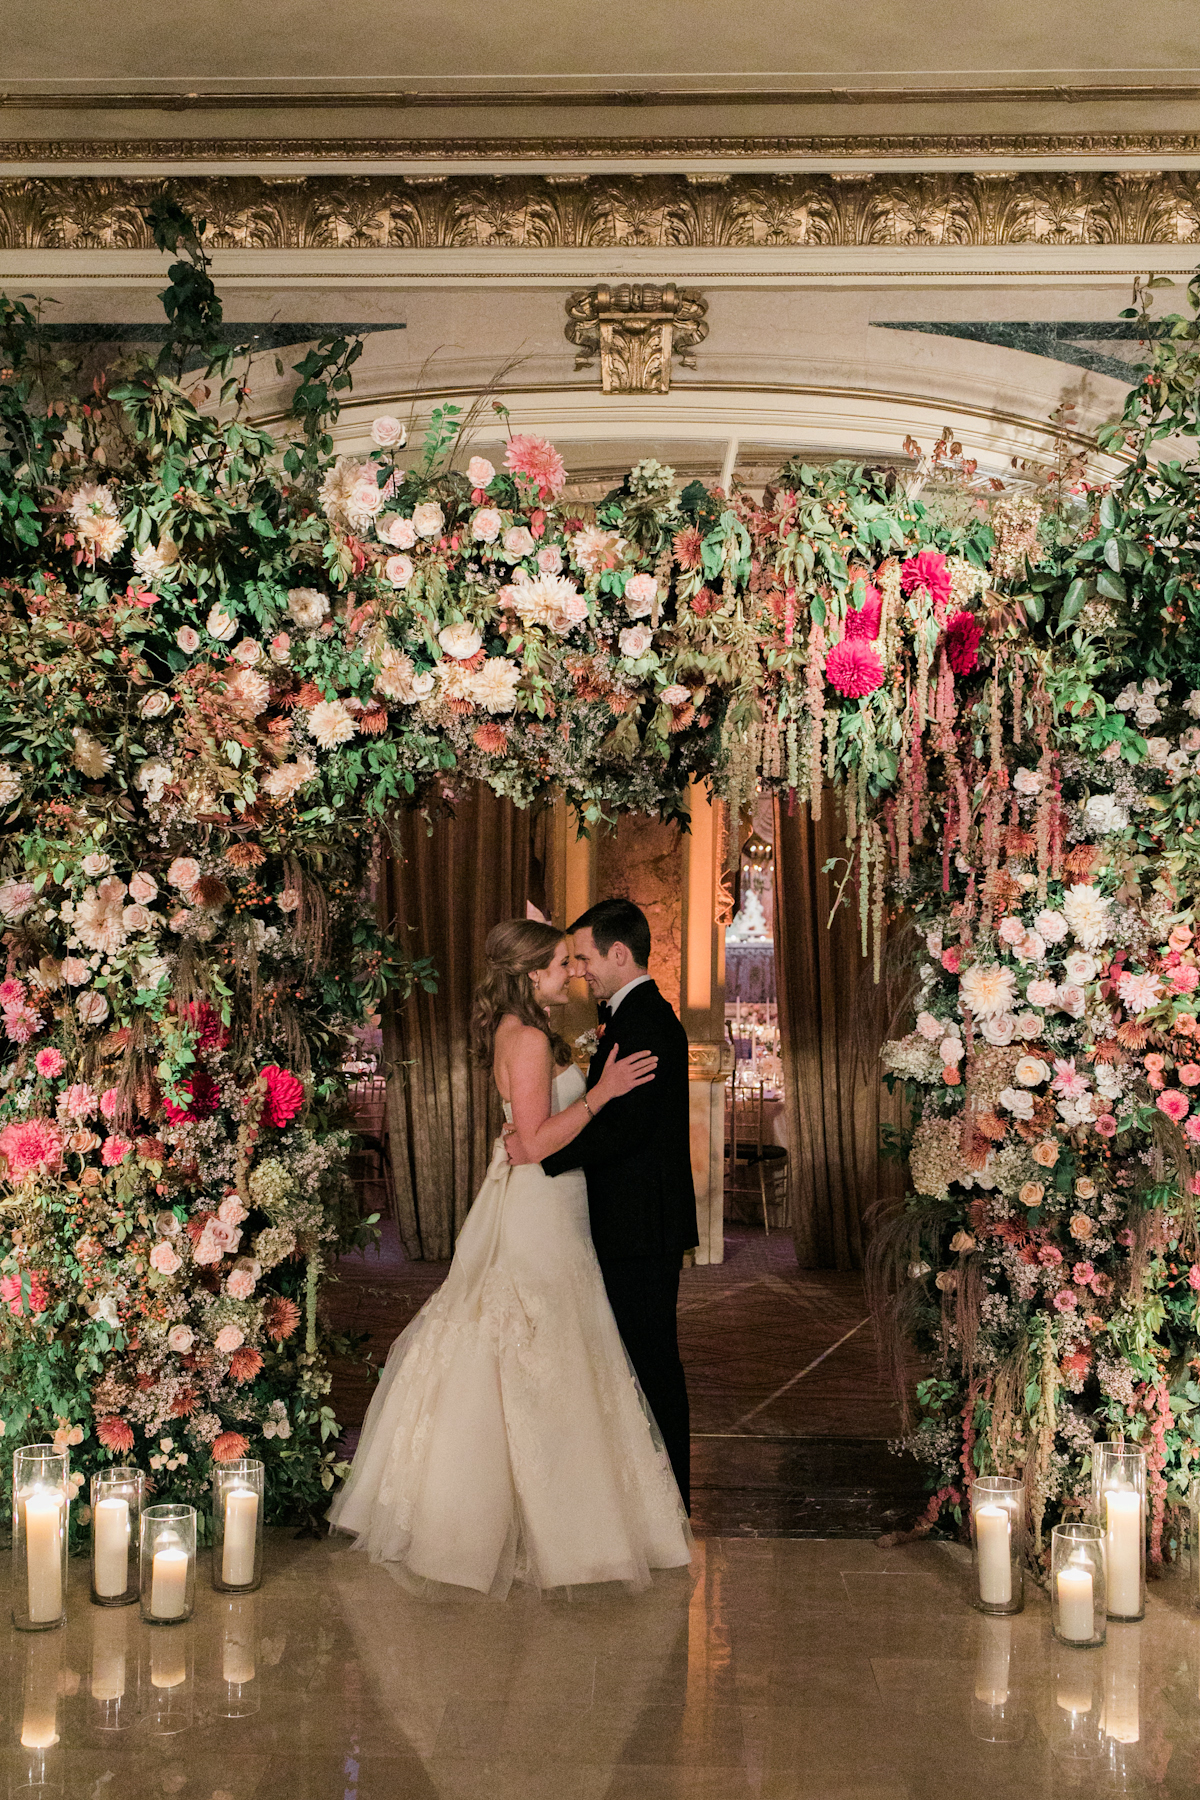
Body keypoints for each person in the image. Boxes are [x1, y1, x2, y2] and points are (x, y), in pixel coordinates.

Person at [328, 917, 692, 1597]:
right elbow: (529, 1145)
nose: (570, 974)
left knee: (548, 1349)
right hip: (538, 1207)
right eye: (559, 965)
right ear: (529, 977)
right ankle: (540, 1522)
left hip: (552, 1205)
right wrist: (602, 1095)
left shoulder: (529, 1031)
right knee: (536, 1347)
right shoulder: (524, 1039)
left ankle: (557, 1510)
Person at [522, 898, 698, 1512]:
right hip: (635, 1219)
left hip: (641, 1223)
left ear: (619, 954)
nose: (580, 970)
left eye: (586, 957)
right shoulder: (629, 1015)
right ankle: (646, 1491)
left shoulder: (645, 1020)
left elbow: (629, 1128)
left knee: (651, 1358)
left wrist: (543, 1153)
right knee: (635, 1355)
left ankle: (671, 1494)